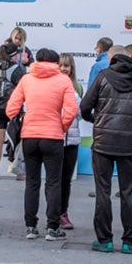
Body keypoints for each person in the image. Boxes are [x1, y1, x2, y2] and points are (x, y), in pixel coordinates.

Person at [80, 45, 132, 253]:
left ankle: (104, 240)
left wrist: (96, 120)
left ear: (111, 58)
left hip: (103, 143)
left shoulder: (103, 76)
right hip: (129, 145)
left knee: (102, 191)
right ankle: (130, 242)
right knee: (130, 193)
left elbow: (85, 106)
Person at [4, 48, 78, 240]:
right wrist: (61, 127)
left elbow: (11, 108)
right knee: (54, 183)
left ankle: (30, 227)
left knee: (32, 182)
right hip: (53, 137)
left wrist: (22, 120)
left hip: (30, 136)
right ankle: (52, 228)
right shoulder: (63, 81)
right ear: (55, 62)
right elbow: (71, 111)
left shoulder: (27, 79)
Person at [0, 31, 31, 176]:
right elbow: (24, 88)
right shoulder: (18, 69)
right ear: (15, 55)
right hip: (14, 108)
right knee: (18, 139)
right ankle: (19, 172)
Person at [56, 53, 80, 231]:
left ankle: (63, 212)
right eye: (61, 65)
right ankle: (53, 212)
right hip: (54, 138)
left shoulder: (77, 87)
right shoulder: (51, 85)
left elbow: (80, 112)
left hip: (71, 140)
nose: (64, 69)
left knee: (66, 179)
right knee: (53, 179)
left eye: (67, 66)